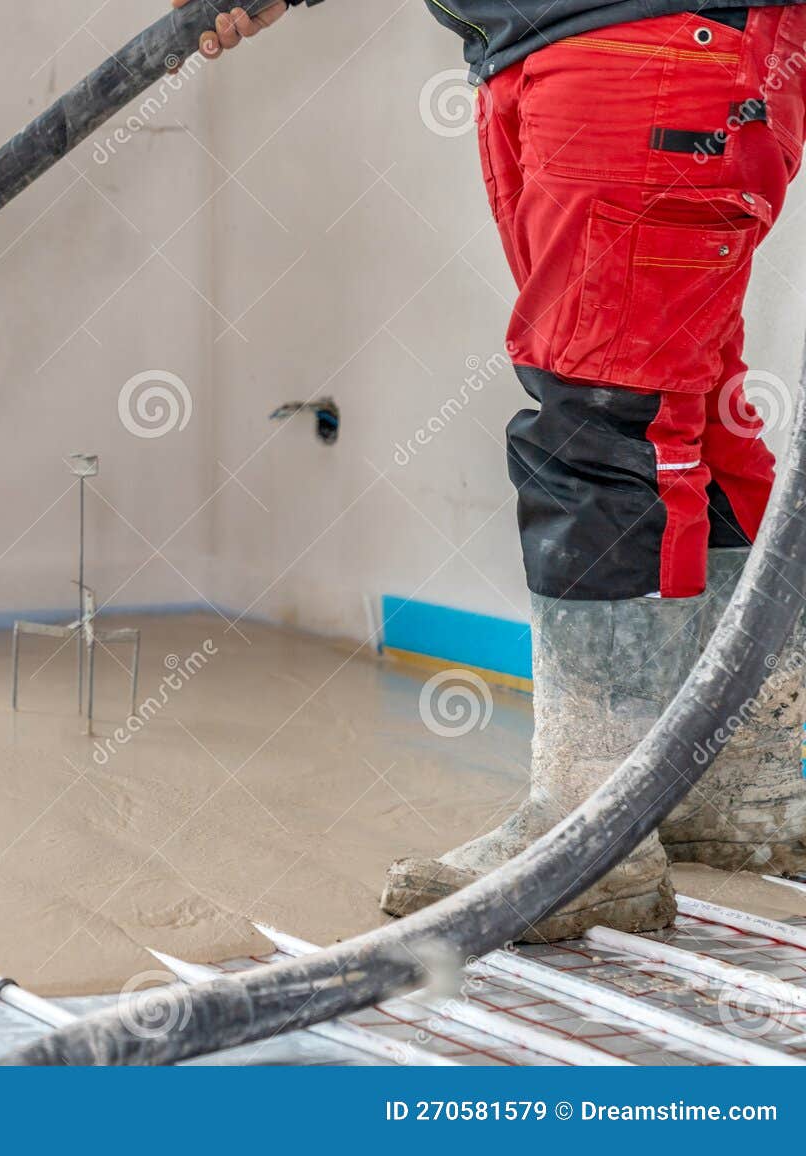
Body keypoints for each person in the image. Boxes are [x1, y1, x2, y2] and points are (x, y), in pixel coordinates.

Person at [177, 0, 806, 939]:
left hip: (644, 43)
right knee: (682, 407)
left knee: (602, 418)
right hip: (565, 49)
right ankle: (729, 784)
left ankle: (593, 833)